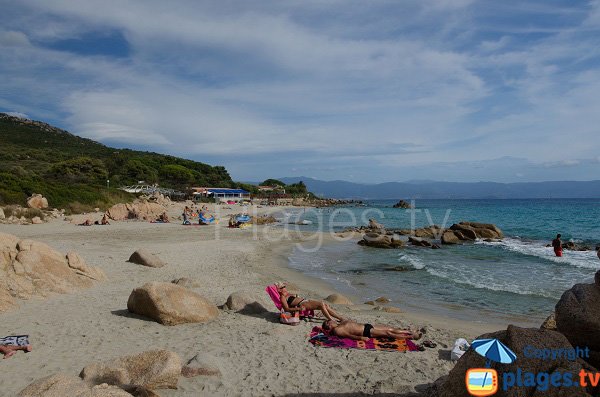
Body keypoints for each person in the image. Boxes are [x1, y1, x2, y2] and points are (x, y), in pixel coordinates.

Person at [276, 283, 344, 322]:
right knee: (321, 304)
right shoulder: (282, 298)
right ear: (280, 290)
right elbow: (287, 309)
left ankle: (340, 318)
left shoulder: (286, 294)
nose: (285, 288)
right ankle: (331, 319)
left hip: (306, 301)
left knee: (325, 305)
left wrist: (295, 295)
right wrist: (299, 309)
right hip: (302, 304)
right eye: (283, 287)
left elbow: (294, 297)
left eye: (284, 286)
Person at [322, 319, 421, 341]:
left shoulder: (340, 324)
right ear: (329, 325)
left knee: (390, 328)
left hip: (367, 326)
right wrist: (361, 338)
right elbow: (349, 335)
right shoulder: (337, 330)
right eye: (330, 321)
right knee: (388, 333)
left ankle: (409, 331)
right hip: (366, 332)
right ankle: (411, 337)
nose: (332, 320)